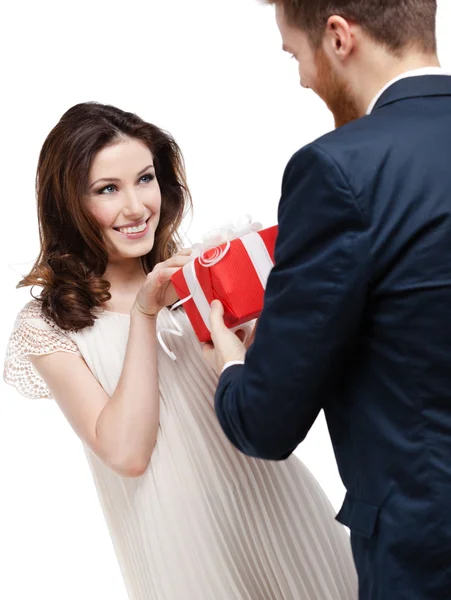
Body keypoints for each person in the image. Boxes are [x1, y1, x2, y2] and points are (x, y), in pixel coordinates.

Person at [4, 102, 357, 600]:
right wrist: (144, 314)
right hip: (183, 546)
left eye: (145, 179)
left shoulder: (197, 276)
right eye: (108, 189)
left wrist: (256, 342)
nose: (135, 207)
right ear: (68, 205)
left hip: (274, 506)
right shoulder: (49, 324)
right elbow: (127, 452)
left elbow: (260, 407)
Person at [204, 1, 451, 598]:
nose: (301, 77)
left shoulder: (338, 170)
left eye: (296, 53)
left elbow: (267, 423)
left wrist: (232, 367)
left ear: (339, 37)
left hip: (428, 549)